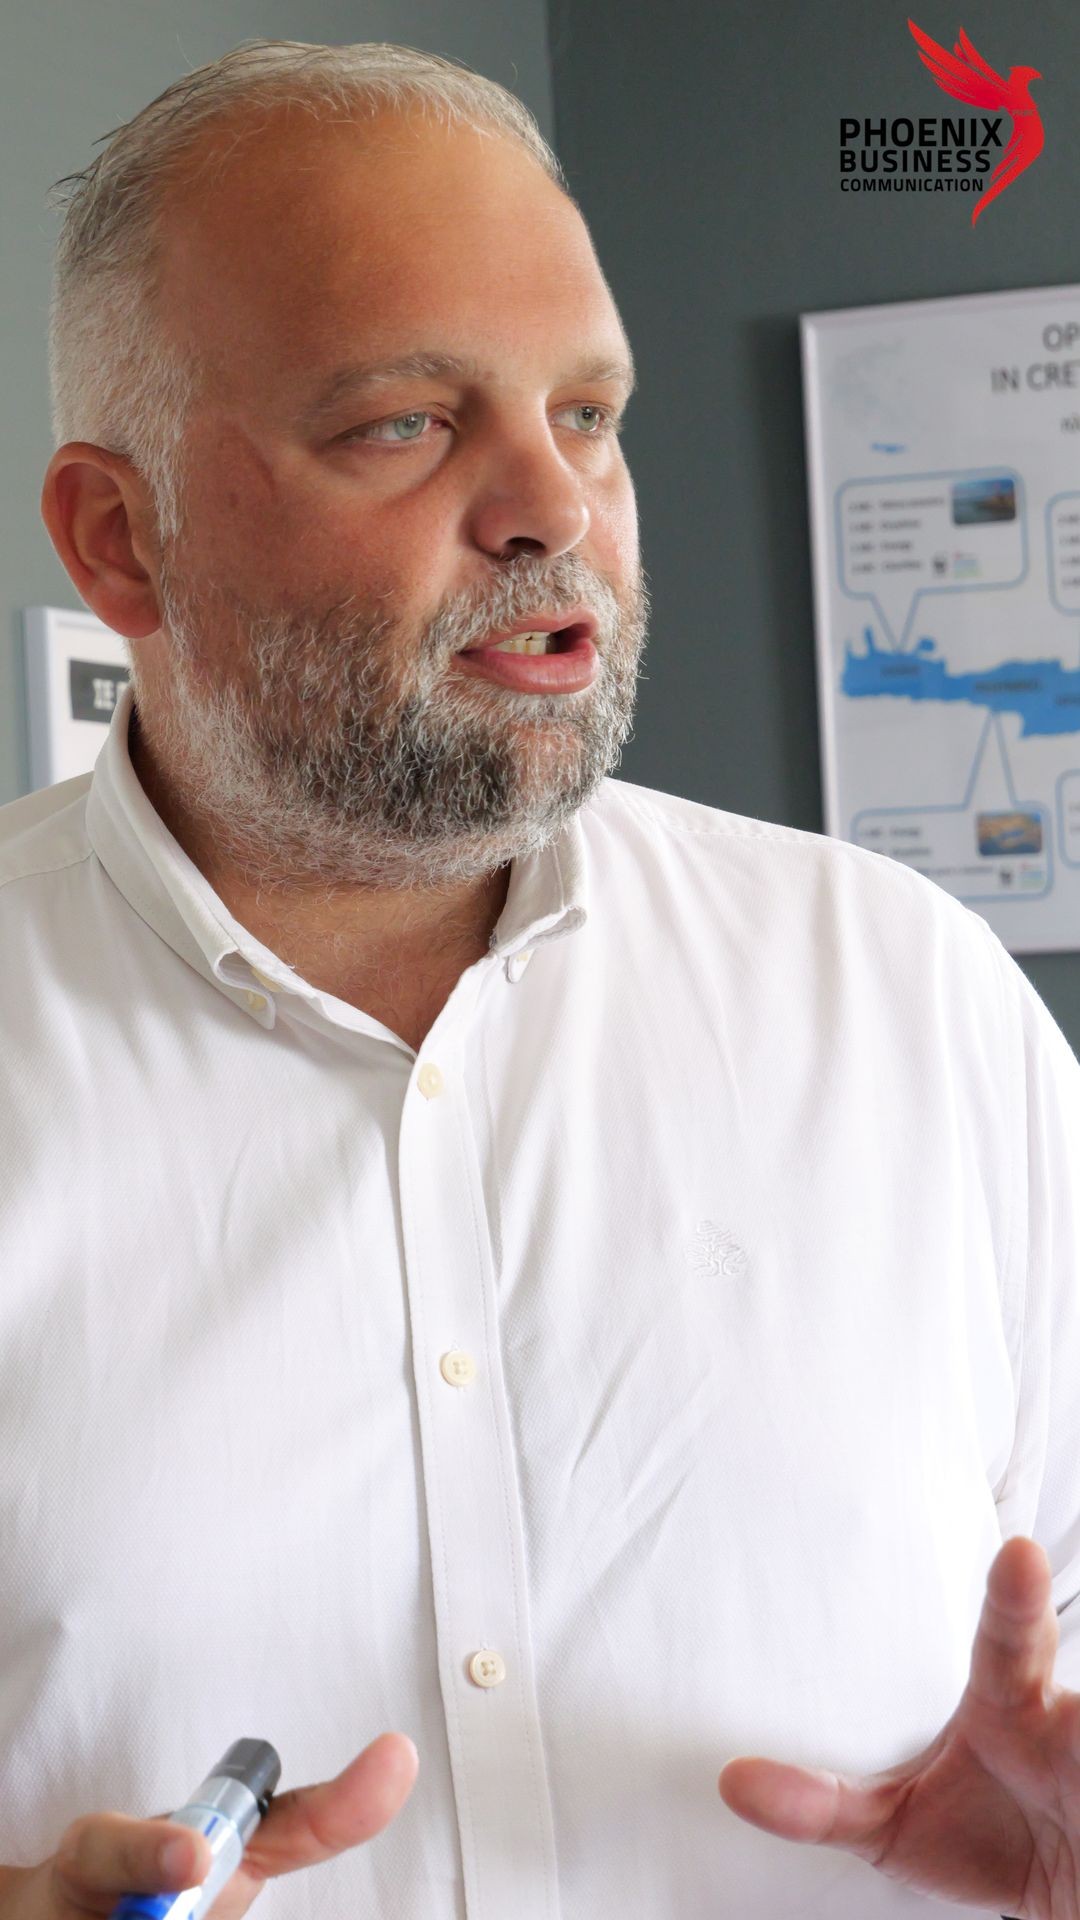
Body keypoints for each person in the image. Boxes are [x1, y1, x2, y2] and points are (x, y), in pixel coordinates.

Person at [3, 35, 1078, 1920]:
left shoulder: (910, 999)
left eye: (588, 411)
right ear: (120, 539)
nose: (554, 508)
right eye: (406, 422)